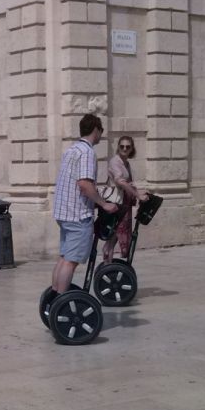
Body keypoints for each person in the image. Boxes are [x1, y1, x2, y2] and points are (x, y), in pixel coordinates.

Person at [48, 114, 119, 300]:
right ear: (95, 130)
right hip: (77, 214)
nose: (101, 134)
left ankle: (54, 297)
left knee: (64, 257)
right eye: (101, 130)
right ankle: (62, 303)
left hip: (64, 213)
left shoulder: (71, 150)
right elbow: (84, 185)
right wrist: (104, 204)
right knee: (71, 262)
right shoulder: (87, 152)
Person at [101, 136, 150, 264]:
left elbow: (129, 183)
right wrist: (138, 195)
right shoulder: (115, 162)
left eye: (128, 147)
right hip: (115, 203)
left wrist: (138, 192)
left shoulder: (126, 163)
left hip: (123, 204)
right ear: (118, 147)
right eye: (122, 146)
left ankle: (108, 265)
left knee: (114, 236)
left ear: (131, 148)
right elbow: (120, 181)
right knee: (112, 235)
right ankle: (107, 265)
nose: (124, 149)